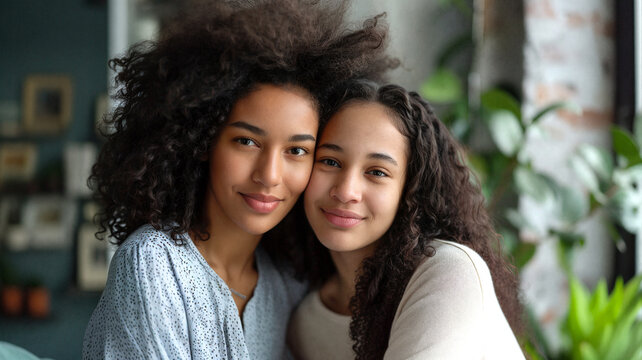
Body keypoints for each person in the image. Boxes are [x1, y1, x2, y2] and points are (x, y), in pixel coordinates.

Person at [82, 1, 396, 358]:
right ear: (203, 140)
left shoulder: (288, 284)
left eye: (296, 151)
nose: (269, 176)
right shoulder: (153, 263)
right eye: (246, 141)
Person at [287, 81, 525, 359]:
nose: (345, 191)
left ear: (410, 189)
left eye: (377, 172)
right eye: (330, 161)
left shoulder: (448, 271)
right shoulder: (304, 323)